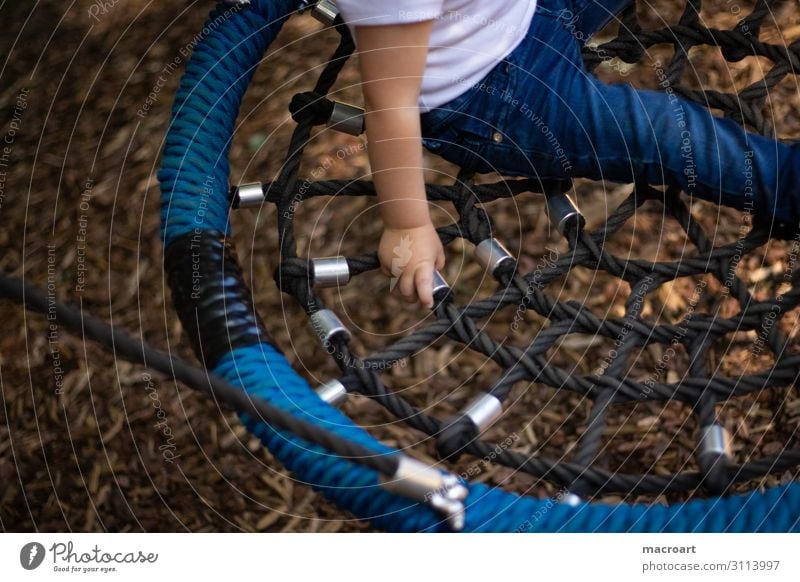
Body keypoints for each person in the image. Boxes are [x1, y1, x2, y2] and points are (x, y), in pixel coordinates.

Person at [336, 0, 800, 308]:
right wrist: (407, 223)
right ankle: (788, 181)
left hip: (528, 13)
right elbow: (390, 102)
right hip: (493, 99)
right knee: (664, 130)